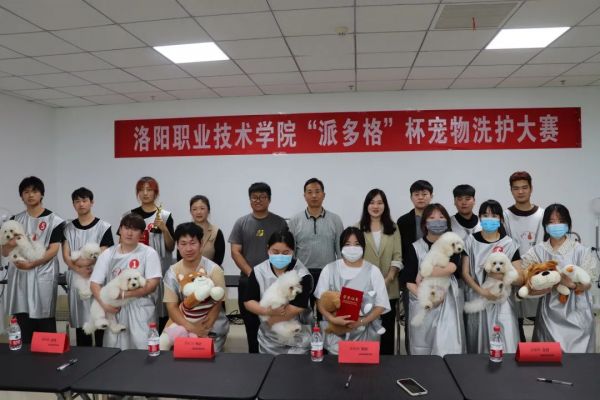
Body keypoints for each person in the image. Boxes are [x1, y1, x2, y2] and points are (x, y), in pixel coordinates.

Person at [521, 204, 599, 352]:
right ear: (545, 225)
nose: (556, 225)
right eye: (552, 221)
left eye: (561, 221)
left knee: (579, 358)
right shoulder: (537, 251)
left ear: (568, 223)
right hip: (548, 314)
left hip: (578, 311)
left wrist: (572, 285)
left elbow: (588, 283)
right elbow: (525, 275)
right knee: (548, 356)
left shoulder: (581, 251)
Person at [2, 176, 65, 343]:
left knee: (45, 322)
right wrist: (9, 244)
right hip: (20, 277)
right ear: (21, 196)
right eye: (26, 192)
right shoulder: (14, 220)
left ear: (42, 194)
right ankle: (24, 357)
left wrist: (32, 263)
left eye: (35, 191)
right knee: (23, 322)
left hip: (42, 275)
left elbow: (53, 250)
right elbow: (4, 252)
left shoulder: (55, 220)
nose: (30, 195)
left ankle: (49, 358)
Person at [229, 182, 288, 353]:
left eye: (262, 197)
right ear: (250, 200)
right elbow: (235, 251)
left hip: (275, 282)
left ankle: (276, 358)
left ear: (269, 199)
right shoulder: (241, 223)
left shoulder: (279, 223)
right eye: (254, 197)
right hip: (248, 281)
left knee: (276, 322)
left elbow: (286, 250)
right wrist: (253, 274)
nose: (258, 200)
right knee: (251, 325)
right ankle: (254, 358)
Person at [90, 213, 161, 350]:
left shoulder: (149, 253)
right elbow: (94, 284)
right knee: (114, 351)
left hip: (141, 309)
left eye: (134, 229)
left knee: (143, 349)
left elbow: (152, 285)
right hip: (115, 310)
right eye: (126, 228)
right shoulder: (108, 254)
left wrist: (123, 295)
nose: (129, 233)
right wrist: (105, 305)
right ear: (120, 230)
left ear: (141, 234)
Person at [401, 203, 465, 356]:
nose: (437, 220)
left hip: (447, 299)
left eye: (441, 217)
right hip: (421, 299)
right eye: (432, 217)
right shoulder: (415, 247)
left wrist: (424, 273)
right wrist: (425, 297)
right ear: (424, 223)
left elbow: (451, 268)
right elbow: (408, 280)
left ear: (447, 222)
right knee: (421, 344)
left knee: (448, 344)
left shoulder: (453, 243)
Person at [315, 227, 390, 355]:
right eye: (347, 244)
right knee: (336, 366)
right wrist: (332, 319)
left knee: (364, 367)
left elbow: (381, 304)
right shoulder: (329, 269)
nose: (352, 248)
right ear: (341, 247)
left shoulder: (373, 271)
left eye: (357, 244)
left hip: (365, 337)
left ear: (363, 247)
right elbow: (319, 301)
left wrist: (361, 322)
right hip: (336, 335)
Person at [462, 200, 524, 354]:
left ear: (501, 219)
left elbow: (520, 278)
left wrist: (499, 275)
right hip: (478, 298)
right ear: (480, 218)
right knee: (478, 347)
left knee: (506, 344)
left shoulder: (510, 244)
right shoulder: (470, 241)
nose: (489, 219)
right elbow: (465, 273)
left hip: (503, 302)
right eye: (485, 215)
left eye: (494, 215)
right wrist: (483, 292)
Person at [243, 230, 313, 354]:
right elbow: (249, 301)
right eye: (275, 252)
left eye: (286, 253)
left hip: (298, 339)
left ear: (293, 251)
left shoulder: (301, 274)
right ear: (268, 249)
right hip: (268, 340)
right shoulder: (258, 271)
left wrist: (271, 321)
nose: (280, 256)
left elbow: (296, 308)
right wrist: (267, 311)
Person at [163, 222, 229, 352]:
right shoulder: (172, 272)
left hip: (211, 324)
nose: (188, 248)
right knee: (170, 351)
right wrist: (191, 328)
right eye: (183, 244)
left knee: (205, 354)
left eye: (193, 243)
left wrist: (203, 330)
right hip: (183, 321)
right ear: (177, 246)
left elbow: (217, 305)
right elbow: (172, 307)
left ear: (201, 243)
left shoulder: (214, 269)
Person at [62, 187, 114, 347]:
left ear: (92, 202)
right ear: (73, 204)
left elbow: (105, 252)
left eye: (84, 200)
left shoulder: (103, 226)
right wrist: (78, 269)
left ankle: (103, 356)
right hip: (77, 278)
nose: (81, 204)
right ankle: (82, 357)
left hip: (98, 278)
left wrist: (85, 264)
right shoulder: (67, 228)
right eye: (77, 201)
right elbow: (66, 255)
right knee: (81, 325)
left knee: (100, 321)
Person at [288, 178, 343, 313]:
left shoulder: (335, 220)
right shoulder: (295, 220)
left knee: (327, 313)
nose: (314, 195)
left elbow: (340, 251)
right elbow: (290, 252)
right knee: (302, 314)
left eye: (317, 191)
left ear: (323, 195)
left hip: (328, 274)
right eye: (310, 192)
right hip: (302, 275)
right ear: (304, 196)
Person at [356, 189, 402, 355]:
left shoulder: (393, 228)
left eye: (379, 203)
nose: (375, 206)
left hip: (389, 287)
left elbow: (397, 256)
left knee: (387, 330)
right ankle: (365, 362)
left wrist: (388, 278)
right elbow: (353, 258)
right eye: (372, 202)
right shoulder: (357, 228)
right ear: (366, 205)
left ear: (385, 206)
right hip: (363, 289)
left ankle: (387, 364)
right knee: (364, 330)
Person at [503, 171, 544, 342]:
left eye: (524, 187)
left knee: (540, 320)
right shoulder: (505, 216)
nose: (520, 192)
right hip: (516, 275)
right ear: (511, 190)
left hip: (539, 275)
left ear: (531, 188)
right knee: (516, 321)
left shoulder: (542, 214)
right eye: (516, 188)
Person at [130, 176, 175, 333]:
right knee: (139, 311)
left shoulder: (165, 216)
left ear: (155, 193)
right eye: (141, 190)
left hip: (160, 270)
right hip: (137, 270)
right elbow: (122, 243)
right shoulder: (130, 216)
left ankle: (161, 343)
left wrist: (164, 229)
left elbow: (171, 246)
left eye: (149, 190)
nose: (145, 193)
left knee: (162, 312)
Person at [397, 180, 433, 260]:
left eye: (424, 194)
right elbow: (400, 248)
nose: (420, 197)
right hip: (410, 263)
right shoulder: (403, 221)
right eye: (416, 194)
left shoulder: (441, 218)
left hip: (436, 263)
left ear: (431, 196)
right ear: (411, 198)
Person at [188, 195, 225, 265]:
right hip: (187, 271)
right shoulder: (184, 232)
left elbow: (219, 260)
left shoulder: (216, 232)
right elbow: (180, 259)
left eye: (202, 208)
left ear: (208, 210)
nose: (198, 212)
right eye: (194, 209)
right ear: (190, 212)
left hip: (210, 270)